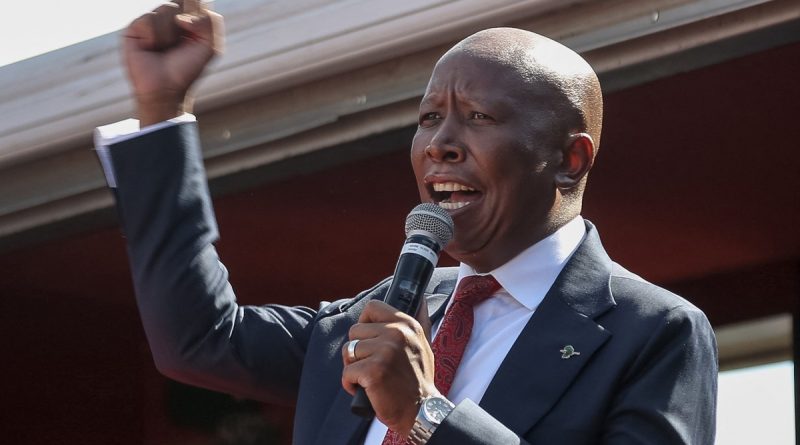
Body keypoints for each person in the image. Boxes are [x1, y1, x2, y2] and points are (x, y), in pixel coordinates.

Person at [95, 2, 718, 444]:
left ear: (569, 159)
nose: (439, 144)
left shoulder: (653, 332)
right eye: (428, 119)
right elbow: (198, 339)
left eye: (478, 117)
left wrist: (425, 415)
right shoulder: (381, 316)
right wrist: (161, 109)